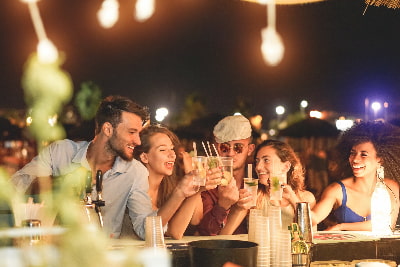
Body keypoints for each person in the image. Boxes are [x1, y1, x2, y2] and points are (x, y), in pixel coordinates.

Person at [10, 95, 200, 239]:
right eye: (132, 132)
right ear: (107, 129)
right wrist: (59, 184)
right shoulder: (61, 152)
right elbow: (15, 187)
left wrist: (180, 194)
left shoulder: (135, 171)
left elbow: (145, 230)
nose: (137, 140)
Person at [133, 124, 220, 239]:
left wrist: (198, 187)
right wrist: (182, 191)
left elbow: (193, 221)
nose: (172, 154)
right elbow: (164, 232)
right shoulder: (134, 190)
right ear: (144, 157)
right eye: (163, 149)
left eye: (172, 148)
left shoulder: (168, 187)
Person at [311, 121, 400, 231]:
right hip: (346, 248)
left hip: (381, 248)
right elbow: (314, 218)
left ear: (380, 160)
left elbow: (387, 225)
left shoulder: (391, 188)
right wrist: (293, 198)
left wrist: (342, 226)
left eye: (363, 154)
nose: (355, 159)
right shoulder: (337, 190)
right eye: (353, 153)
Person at [220, 139, 316, 234]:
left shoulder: (306, 198)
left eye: (266, 160)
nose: (258, 167)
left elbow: (311, 227)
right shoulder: (252, 197)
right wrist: (238, 208)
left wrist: (292, 198)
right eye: (257, 161)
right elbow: (224, 235)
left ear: (286, 167)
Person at [197, 114, 255, 235]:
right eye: (224, 147)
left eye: (238, 148)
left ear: (250, 149)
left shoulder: (255, 181)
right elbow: (205, 234)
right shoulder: (208, 185)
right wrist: (222, 206)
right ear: (217, 149)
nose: (231, 153)